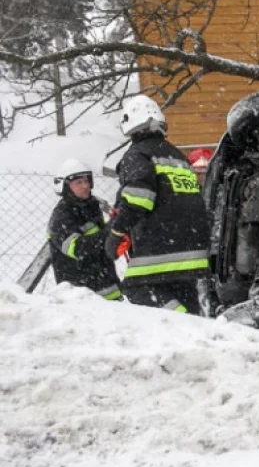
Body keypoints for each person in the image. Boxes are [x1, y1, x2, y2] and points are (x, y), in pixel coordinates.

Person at [105, 95, 211, 314]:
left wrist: (117, 231)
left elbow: (139, 197)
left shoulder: (137, 155)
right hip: (193, 251)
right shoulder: (178, 156)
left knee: (137, 290)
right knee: (183, 297)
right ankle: (195, 328)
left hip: (160, 250)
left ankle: (183, 323)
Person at [47, 159, 122, 301]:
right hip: (82, 298)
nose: (85, 186)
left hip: (108, 290)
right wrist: (109, 231)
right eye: (79, 183)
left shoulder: (92, 207)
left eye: (87, 181)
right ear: (65, 186)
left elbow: (100, 244)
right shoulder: (62, 215)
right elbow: (77, 249)